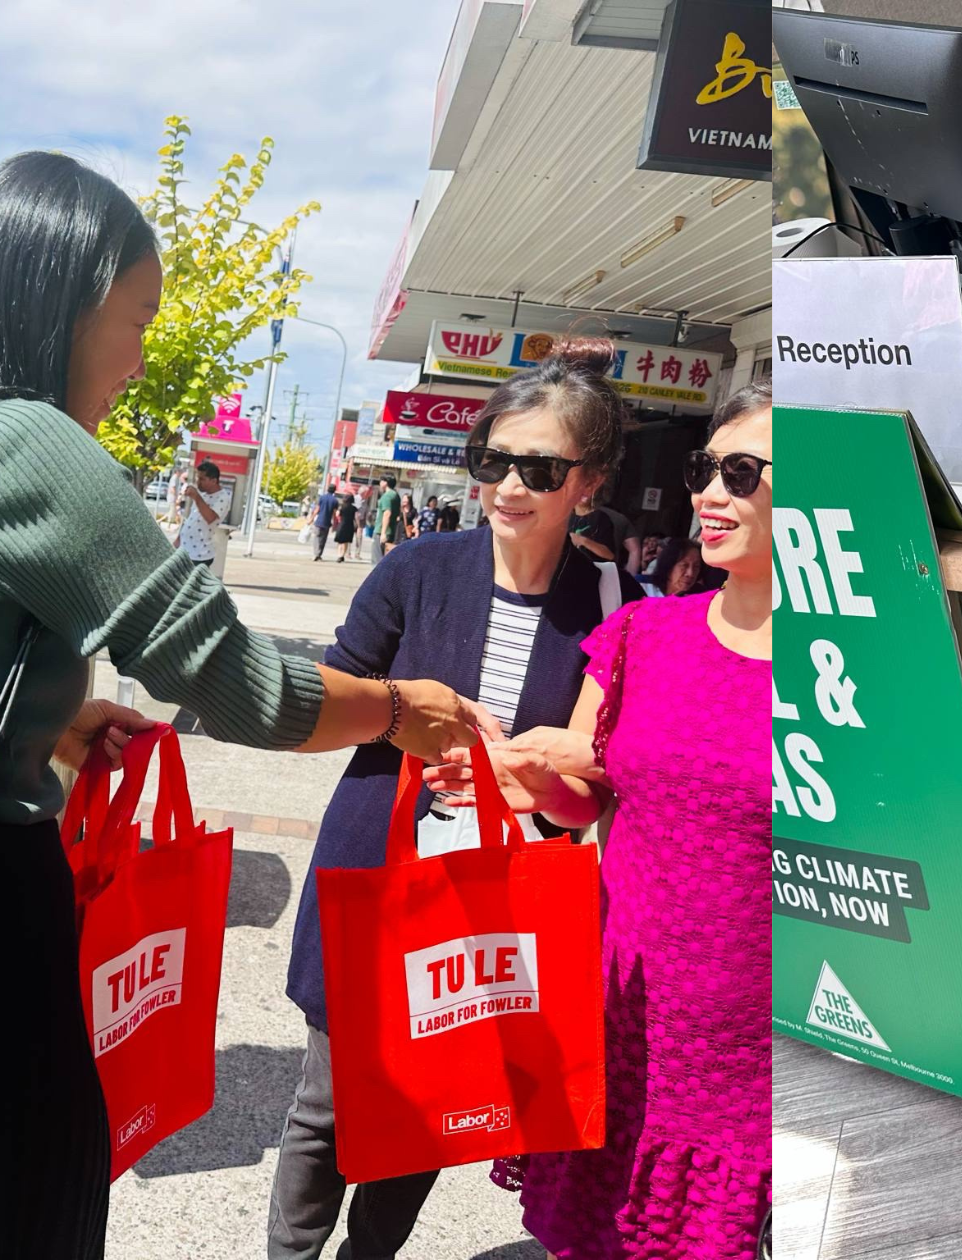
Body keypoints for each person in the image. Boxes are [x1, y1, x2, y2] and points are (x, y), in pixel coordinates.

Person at [0, 151, 486, 1260]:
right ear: (64, 301)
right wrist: (400, 707)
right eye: (137, 321)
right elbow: (239, 684)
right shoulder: (17, 438)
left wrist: (36, 726)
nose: (138, 360)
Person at [272, 337, 644, 1260]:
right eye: (492, 459)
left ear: (588, 483)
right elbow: (329, 699)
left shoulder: (615, 607)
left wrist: (535, 782)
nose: (509, 485)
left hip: (503, 894)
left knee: (439, 1097)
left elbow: (595, 787)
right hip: (377, 859)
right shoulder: (418, 569)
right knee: (329, 1100)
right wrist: (404, 717)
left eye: (539, 468)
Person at [441, 379, 773, 1260]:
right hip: (621, 1010)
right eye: (705, 470)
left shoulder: (846, 672)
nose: (710, 494)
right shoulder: (643, 635)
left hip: (757, 1051)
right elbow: (593, 795)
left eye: (743, 474)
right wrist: (539, 787)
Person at [179, 460, 231, 566]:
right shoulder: (203, 495)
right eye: (198, 478)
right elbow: (191, 519)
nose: (198, 482)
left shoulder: (222, 498)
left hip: (199, 553)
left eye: (202, 479)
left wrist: (196, 497)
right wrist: (178, 539)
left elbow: (210, 517)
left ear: (214, 481)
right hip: (185, 550)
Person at [377, 476, 404, 554]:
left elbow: (387, 513)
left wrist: (383, 533)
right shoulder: (396, 495)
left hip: (381, 530)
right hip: (392, 530)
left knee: (377, 555)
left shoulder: (387, 496)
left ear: (385, 482)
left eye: (381, 481)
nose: (380, 483)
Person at [334, 490, 361, 562]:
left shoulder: (342, 506)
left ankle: (339, 555)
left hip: (342, 524)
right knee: (346, 541)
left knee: (340, 541)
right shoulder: (354, 508)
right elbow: (356, 517)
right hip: (349, 525)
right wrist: (358, 526)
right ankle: (342, 555)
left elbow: (337, 514)